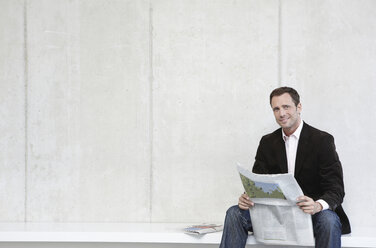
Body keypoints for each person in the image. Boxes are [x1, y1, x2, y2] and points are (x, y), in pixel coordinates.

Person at [219, 87, 351, 248]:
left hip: (310, 213)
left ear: (299, 107)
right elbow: (258, 181)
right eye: (276, 109)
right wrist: (248, 197)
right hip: (275, 214)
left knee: (329, 220)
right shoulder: (267, 142)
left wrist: (317, 205)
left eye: (286, 107)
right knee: (234, 213)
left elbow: (336, 189)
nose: (281, 113)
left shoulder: (322, 140)